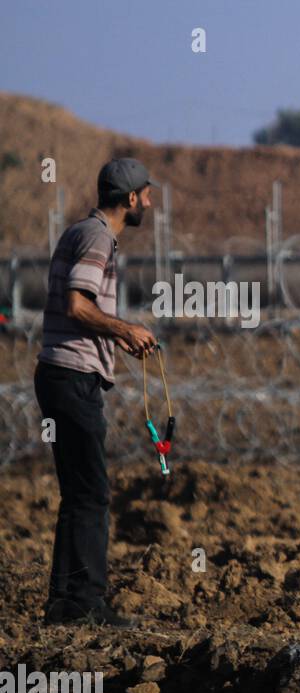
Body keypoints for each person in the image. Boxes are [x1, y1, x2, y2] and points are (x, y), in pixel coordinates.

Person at [36, 158, 158, 626]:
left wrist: (118, 336)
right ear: (130, 199)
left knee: (78, 493)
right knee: (93, 494)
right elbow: (76, 303)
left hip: (61, 373)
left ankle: (64, 604)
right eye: (145, 194)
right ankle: (86, 605)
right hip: (72, 378)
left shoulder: (82, 232)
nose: (148, 201)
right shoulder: (97, 237)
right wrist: (123, 329)